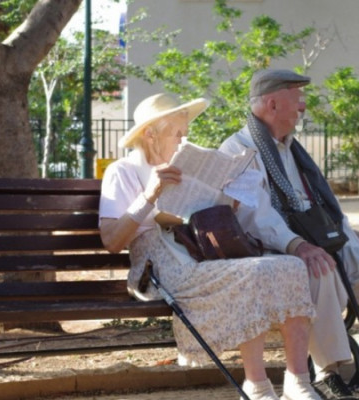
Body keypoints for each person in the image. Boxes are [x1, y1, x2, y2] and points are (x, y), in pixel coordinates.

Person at [219, 69, 359, 400]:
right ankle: (328, 372)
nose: (304, 107)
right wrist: (298, 245)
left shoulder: (292, 149)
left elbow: (321, 204)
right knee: (319, 270)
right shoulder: (237, 150)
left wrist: (348, 233)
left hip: (322, 246)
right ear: (272, 104)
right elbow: (256, 217)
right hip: (280, 255)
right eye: (298, 100)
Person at [98, 93, 326, 400]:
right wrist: (149, 196)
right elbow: (112, 240)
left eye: (184, 133)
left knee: (290, 265)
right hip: (160, 267)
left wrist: (227, 198)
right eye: (176, 133)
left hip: (201, 253)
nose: (182, 140)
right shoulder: (122, 171)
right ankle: (257, 384)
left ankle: (299, 382)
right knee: (254, 273)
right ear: (150, 134)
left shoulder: (183, 165)